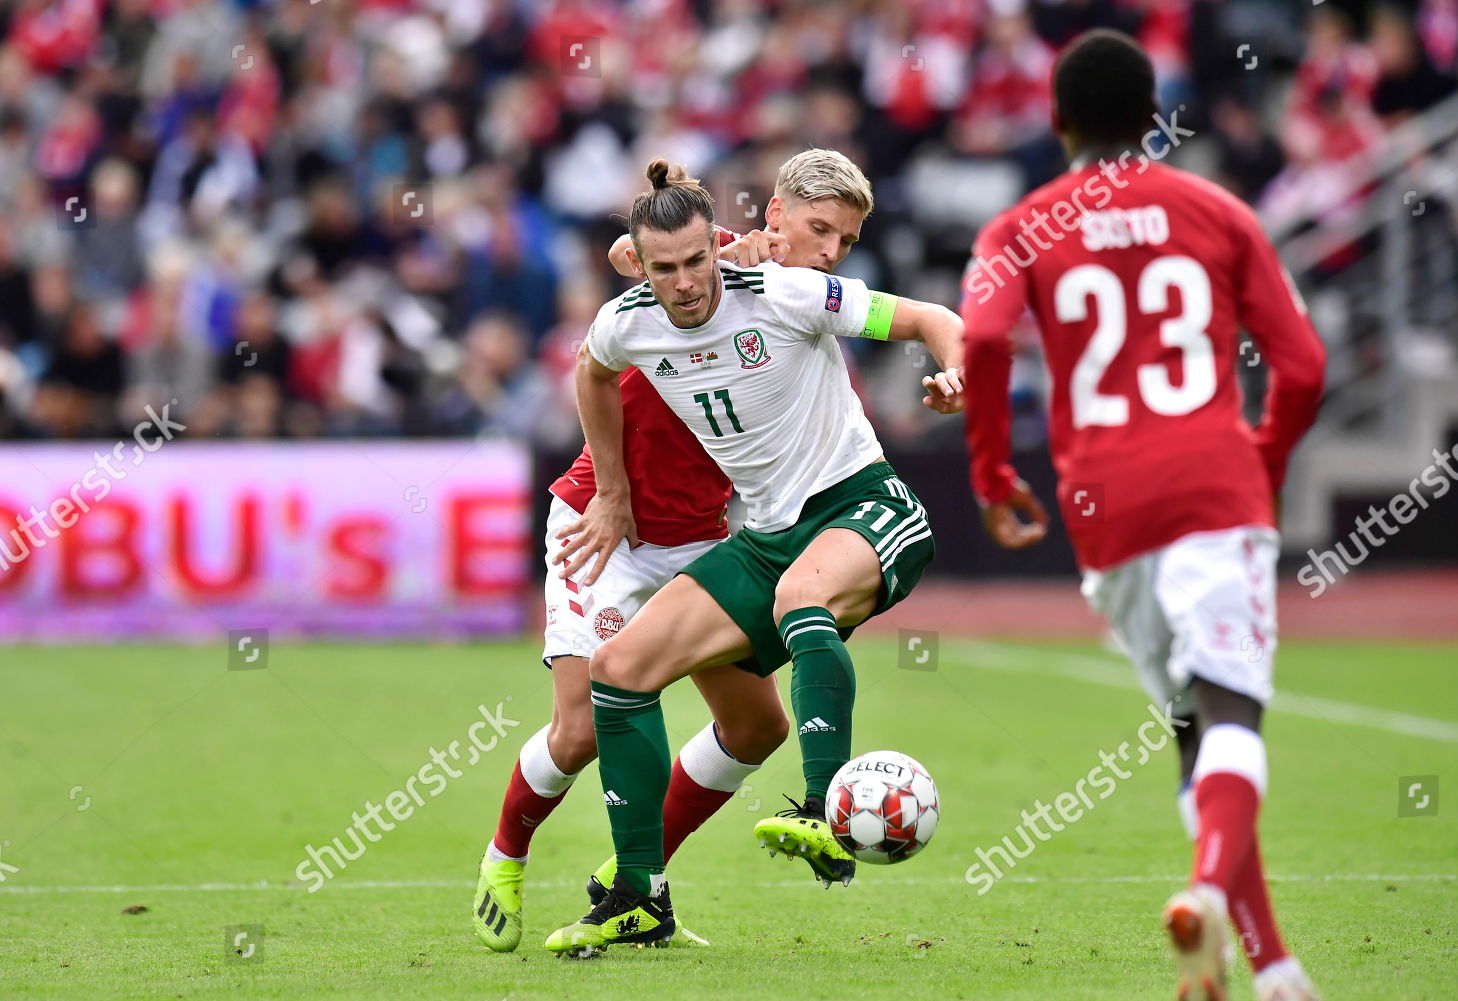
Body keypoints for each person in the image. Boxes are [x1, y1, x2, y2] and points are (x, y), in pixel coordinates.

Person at [962, 30, 1326, 1001]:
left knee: (1187, 726)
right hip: (1212, 486)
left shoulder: (1018, 229)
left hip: (1104, 509)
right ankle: (1208, 888)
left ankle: (1274, 967)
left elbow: (986, 336)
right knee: (1234, 709)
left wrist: (993, 473)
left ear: (1058, 121)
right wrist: (1264, 461)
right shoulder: (1216, 209)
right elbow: (1305, 365)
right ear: (1155, 117)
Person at [543, 158, 964, 956]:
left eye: (697, 261)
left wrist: (956, 366)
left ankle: (825, 811)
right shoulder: (627, 320)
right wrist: (613, 490)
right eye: (665, 267)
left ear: (719, 247)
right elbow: (592, 371)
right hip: (767, 537)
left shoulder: (785, 291)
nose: (685, 281)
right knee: (620, 668)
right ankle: (639, 894)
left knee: (799, 598)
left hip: (863, 507)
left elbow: (930, 317)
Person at [472, 149, 880, 954]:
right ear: (776, 219)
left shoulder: (800, 311)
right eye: (817, 230)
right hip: (606, 528)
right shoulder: (701, 262)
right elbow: (635, 256)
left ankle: (636, 885)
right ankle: (504, 854)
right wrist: (614, 492)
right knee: (584, 728)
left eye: (845, 241)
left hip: (699, 537)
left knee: (757, 725)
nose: (829, 251)